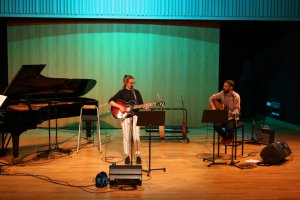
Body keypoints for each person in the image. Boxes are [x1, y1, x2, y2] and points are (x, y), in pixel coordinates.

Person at [109, 75, 149, 165]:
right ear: (126, 82)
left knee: (136, 137)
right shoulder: (121, 92)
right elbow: (110, 101)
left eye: (133, 83)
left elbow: (141, 105)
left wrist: (145, 107)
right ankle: (127, 155)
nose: (132, 84)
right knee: (126, 137)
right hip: (125, 117)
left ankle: (138, 155)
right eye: (131, 83)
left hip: (135, 116)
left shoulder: (136, 92)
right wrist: (120, 106)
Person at [209, 80, 240, 145]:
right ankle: (226, 137)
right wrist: (213, 108)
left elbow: (237, 109)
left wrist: (235, 112)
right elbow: (211, 98)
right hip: (223, 116)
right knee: (216, 126)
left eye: (226, 86)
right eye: (224, 86)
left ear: (231, 87)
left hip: (232, 117)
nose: (223, 87)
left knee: (229, 128)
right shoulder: (222, 93)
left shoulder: (236, 96)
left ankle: (230, 137)